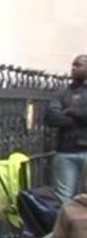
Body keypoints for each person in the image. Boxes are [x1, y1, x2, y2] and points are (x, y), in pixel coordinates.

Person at [44, 55, 87, 205]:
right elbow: (51, 117)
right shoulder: (63, 93)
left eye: (78, 65)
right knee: (64, 199)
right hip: (66, 152)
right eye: (73, 65)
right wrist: (79, 119)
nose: (73, 68)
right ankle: (67, 227)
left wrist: (71, 111)